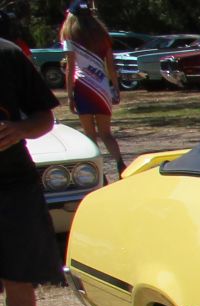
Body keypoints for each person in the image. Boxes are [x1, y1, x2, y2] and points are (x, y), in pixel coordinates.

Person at [1, 38, 63, 306]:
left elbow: (44, 117)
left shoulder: (7, 55)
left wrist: (21, 130)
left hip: (12, 182)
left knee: (19, 276)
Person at [59, 0, 122, 175]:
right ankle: (120, 163)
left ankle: (98, 172)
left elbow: (70, 68)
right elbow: (110, 64)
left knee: (90, 134)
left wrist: (70, 95)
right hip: (102, 87)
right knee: (106, 133)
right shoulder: (103, 36)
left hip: (82, 86)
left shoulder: (69, 37)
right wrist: (115, 88)